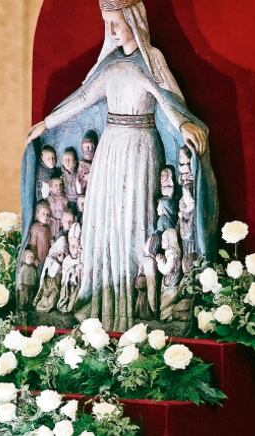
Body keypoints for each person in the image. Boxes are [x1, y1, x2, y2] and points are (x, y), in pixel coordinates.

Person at [23, 0, 217, 332]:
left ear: (133, 18)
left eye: (117, 22)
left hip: (141, 146)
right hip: (110, 147)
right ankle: (99, 300)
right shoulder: (110, 66)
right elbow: (83, 99)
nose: (112, 30)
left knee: (132, 220)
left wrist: (184, 125)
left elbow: (167, 99)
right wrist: (47, 122)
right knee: (106, 219)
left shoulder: (150, 60)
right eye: (107, 23)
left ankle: (135, 305)